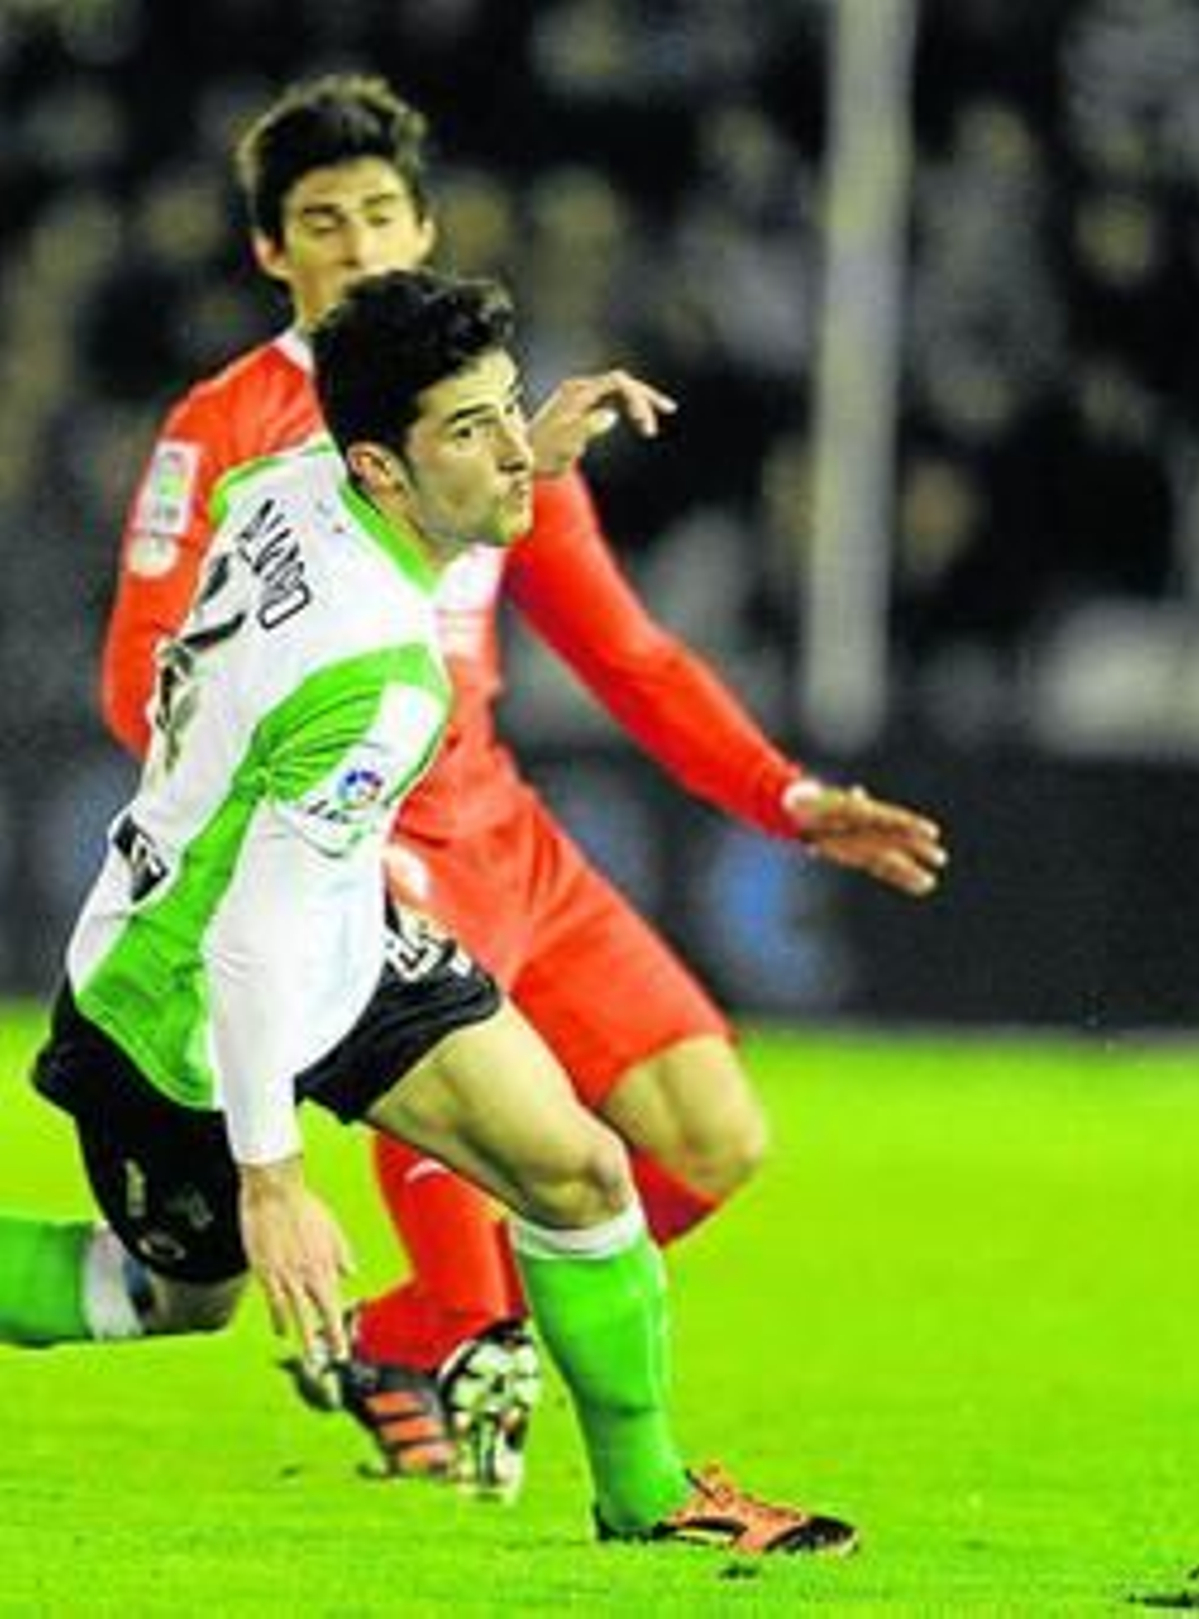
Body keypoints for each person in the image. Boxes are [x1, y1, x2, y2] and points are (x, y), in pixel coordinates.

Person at [100, 75, 947, 1495]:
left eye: (383, 212)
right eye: (323, 220)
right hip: (365, 833)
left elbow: (625, 647)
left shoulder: (477, 423)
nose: (359, 244)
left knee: (712, 1136)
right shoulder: (224, 427)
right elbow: (140, 672)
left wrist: (784, 796)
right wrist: (269, 806)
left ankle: (412, 1334)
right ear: (269, 250)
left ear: (425, 225)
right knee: (463, 1098)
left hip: (501, 823)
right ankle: (498, 1355)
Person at [6, 267, 870, 1554]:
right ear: (384, 466)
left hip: (336, 930)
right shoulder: (379, 678)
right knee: (181, 1298)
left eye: (508, 407)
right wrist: (275, 1181)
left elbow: (370, 496)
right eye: (473, 430)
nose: (514, 449)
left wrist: (521, 450)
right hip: (180, 997)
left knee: (578, 1170)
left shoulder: (291, 477)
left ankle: (649, 1496)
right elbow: (248, 939)